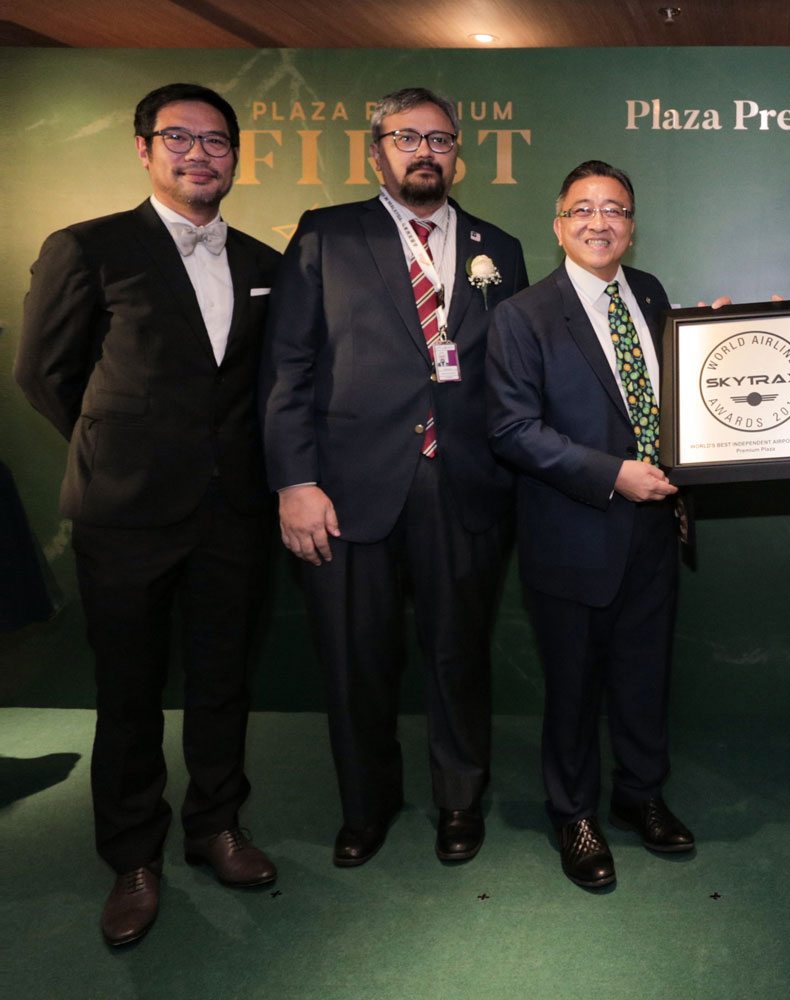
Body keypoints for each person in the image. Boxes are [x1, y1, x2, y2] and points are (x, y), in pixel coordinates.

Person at [14, 82, 281, 946]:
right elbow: (43, 377)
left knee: (221, 683)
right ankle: (133, 856)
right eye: (180, 138)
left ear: (238, 157)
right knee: (127, 696)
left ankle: (217, 827)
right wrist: (120, 449)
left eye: (217, 142)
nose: (200, 154)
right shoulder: (88, 247)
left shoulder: (264, 263)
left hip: (234, 513)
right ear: (143, 149)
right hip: (123, 517)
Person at [260, 87, 527, 868]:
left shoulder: (497, 247)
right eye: (406, 137)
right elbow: (287, 366)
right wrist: (294, 482)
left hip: (466, 484)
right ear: (376, 150)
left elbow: (516, 364)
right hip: (347, 489)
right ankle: (366, 807)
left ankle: (458, 800)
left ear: (458, 154)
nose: (424, 151)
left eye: (440, 139)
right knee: (356, 657)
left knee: (458, 654)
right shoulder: (327, 234)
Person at [488, 160, 694, 890]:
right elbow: (512, 430)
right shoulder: (522, 315)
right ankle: (573, 813)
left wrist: (724, 344)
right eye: (583, 210)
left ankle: (640, 794)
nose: (599, 222)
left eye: (615, 210)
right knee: (573, 687)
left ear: (632, 227)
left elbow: (674, 395)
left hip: (653, 532)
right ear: (558, 224)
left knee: (644, 677)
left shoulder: (651, 295)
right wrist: (613, 474)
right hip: (574, 532)